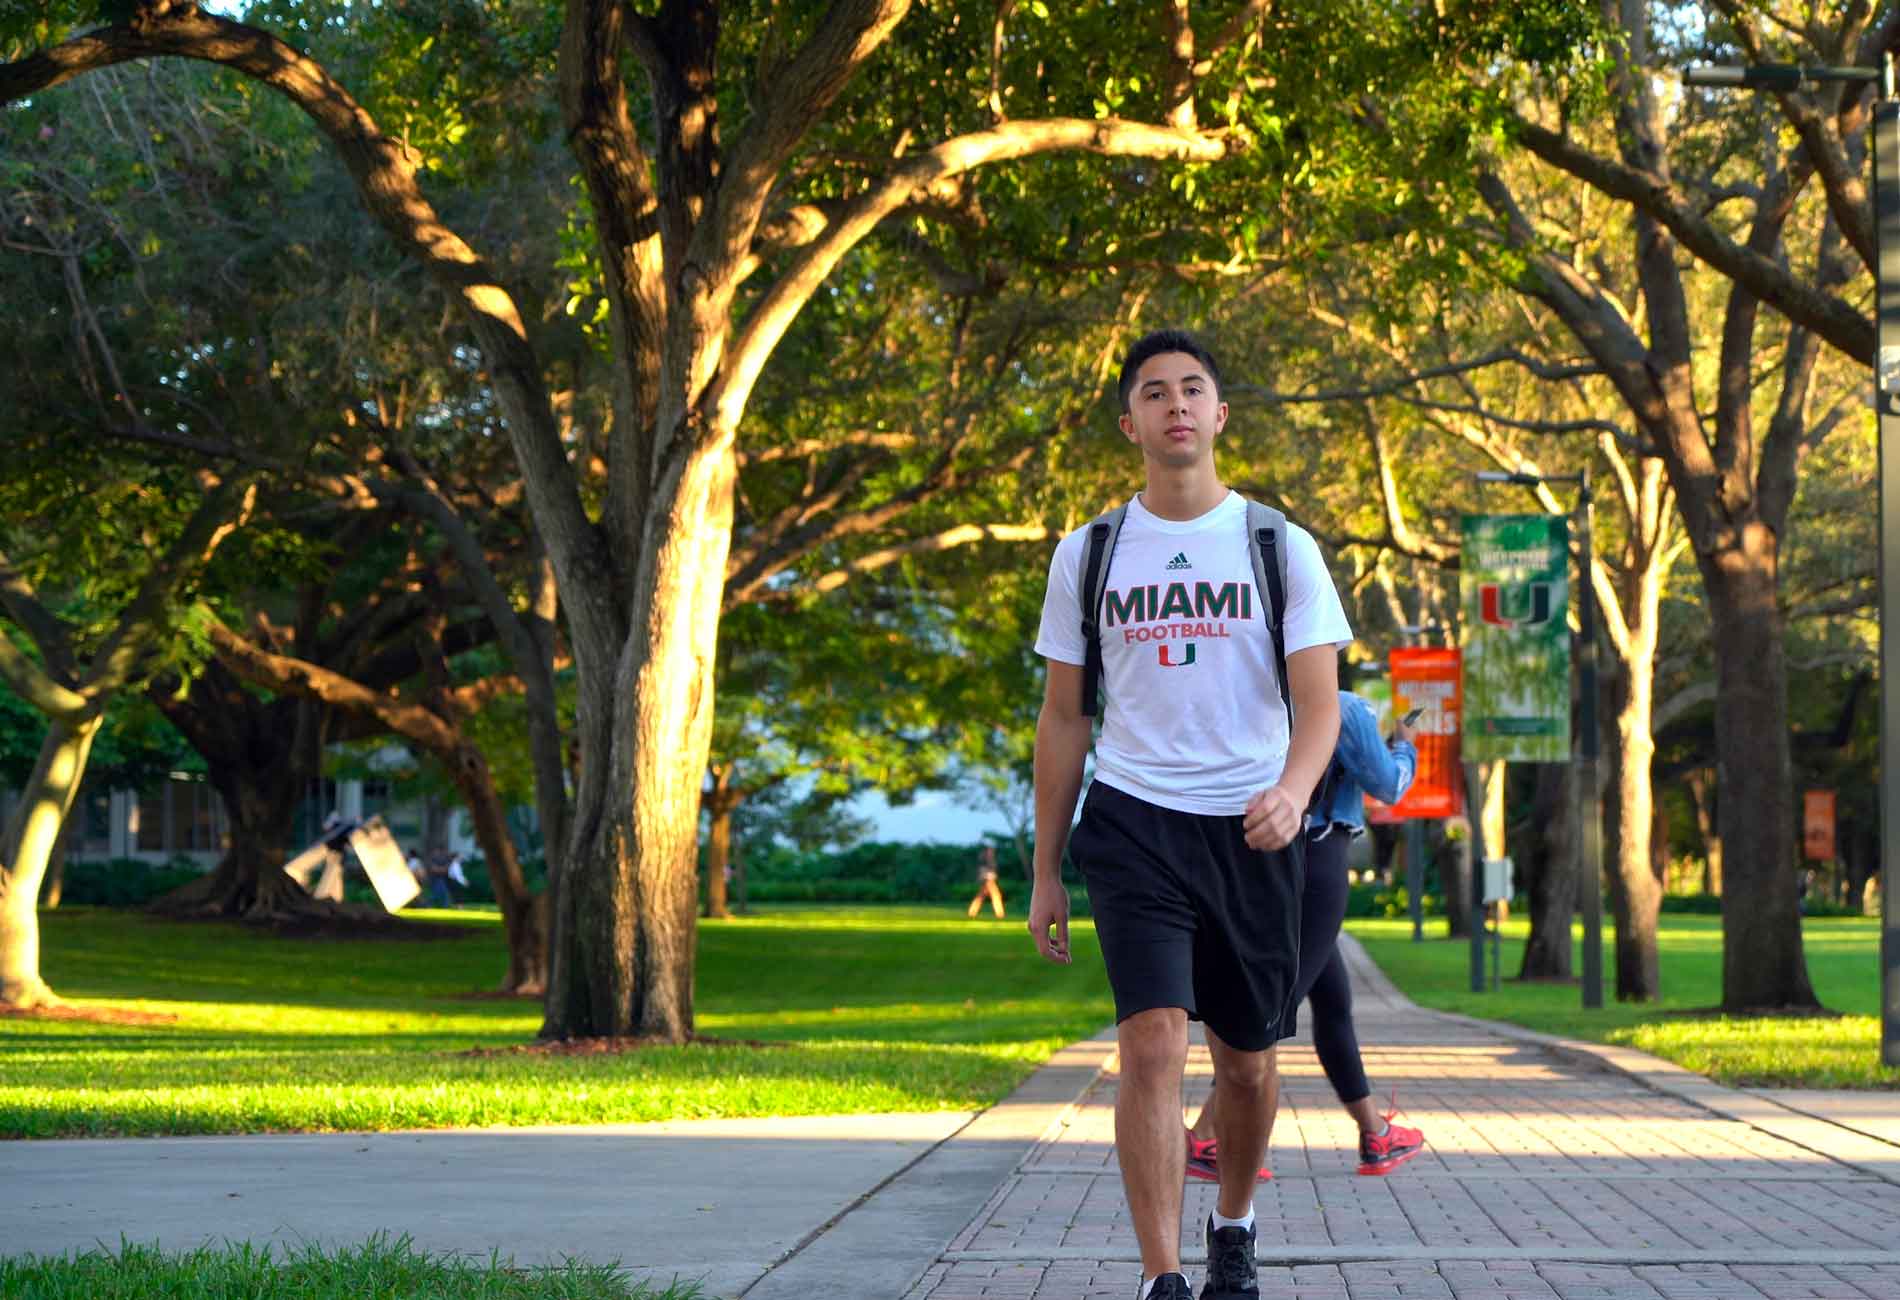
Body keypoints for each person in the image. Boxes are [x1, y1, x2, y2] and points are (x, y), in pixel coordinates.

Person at [1029, 329, 1349, 1300]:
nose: (1175, 404)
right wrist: (1045, 867)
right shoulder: (1087, 554)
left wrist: (1292, 791)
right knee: (1152, 1037)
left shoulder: (1276, 544)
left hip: (1250, 828)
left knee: (1246, 1065)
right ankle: (1162, 1276)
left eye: (1192, 388)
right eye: (1154, 392)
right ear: (1129, 424)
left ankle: (1234, 1224)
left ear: (1217, 415)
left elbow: (1320, 702)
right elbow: (1062, 715)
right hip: (1132, 822)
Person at [1185, 695, 1426, 1182]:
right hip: (1319, 861)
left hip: (1262, 860)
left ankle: (1374, 1132)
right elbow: (1390, 785)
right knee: (1275, 1007)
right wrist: (1404, 747)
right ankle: (1206, 1136)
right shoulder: (1342, 708)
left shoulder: (1253, 698)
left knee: (1332, 1001)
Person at [966, 843, 1006, 918]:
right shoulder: (984, 860)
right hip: (987, 880)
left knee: (981, 897)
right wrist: (987, 876)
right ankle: (1000, 914)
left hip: (990, 880)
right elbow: (981, 871)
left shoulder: (992, 860)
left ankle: (972, 912)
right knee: (996, 896)